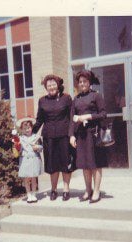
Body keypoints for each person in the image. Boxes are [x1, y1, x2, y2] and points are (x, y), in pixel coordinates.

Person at [32, 74, 75, 201]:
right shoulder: (42, 100)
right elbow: (39, 119)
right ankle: (54, 190)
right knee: (52, 164)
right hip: (49, 137)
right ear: (46, 87)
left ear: (58, 85)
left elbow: (72, 117)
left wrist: (72, 134)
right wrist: (30, 133)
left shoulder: (66, 98)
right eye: (48, 85)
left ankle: (66, 189)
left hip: (64, 136)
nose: (51, 87)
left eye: (53, 84)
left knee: (66, 163)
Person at [69, 70, 108, 203]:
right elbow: (72, 119)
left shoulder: (96, 96)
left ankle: (96, 191)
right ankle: (88, 190)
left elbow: (103, 114)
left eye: (85, 81)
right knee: (85, 164)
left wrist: (88, 116)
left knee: (96, 164)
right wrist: (71, 136)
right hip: (81, 135)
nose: (82, 84)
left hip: (94, 134)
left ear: (89, 82)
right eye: (80, 82)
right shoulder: (76, 99)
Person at [13, 117, 43, 203]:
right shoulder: (20, 139)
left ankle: (34, 194)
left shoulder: (36, 137)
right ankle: (28, 194)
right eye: (25, 128)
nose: (27, 130)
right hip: (25, 160)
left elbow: (41, 147)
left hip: (34, 159)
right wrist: (16, 145)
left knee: (34, 177)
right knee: (26, 178)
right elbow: (18, 149)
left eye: (29, 128)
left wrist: (37, 147)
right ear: (21, 129)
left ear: (32, 127)